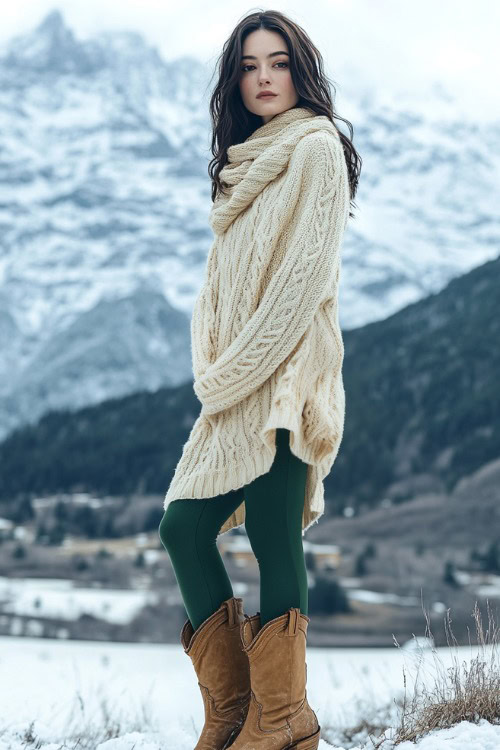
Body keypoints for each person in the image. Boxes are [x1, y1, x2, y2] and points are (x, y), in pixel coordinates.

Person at [158, 9, 361, 749]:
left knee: (276, 535)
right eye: (250, 65)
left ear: (299, 70)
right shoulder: (242, 166)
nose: (265, 77)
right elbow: (219, 293)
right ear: (235, 79)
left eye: (278, 62)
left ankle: (282, 720)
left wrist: (229, 378)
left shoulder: (315, 150)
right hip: (235, 384)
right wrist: (211, 371)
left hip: (286, 379)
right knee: (183, 526)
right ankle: (235, 714)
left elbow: (299, 285)